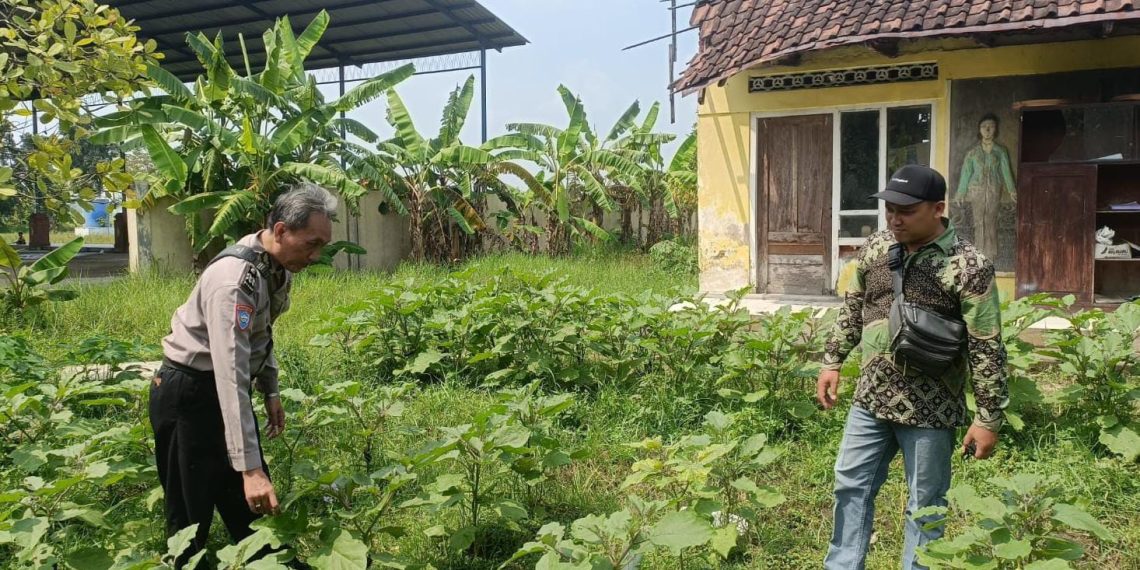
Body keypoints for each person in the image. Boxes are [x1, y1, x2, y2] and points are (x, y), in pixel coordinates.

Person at [817, 165, 1009, 569]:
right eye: (890, 209)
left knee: (925, 505)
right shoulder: (876, 248)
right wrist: (833, 360)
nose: (894, 218)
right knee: (850, 486)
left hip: (931, 409)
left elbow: (986, 344)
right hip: (870, 398)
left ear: (939, 208)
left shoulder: (970, 266)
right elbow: (854, 308)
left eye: (906, 210)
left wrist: (988, 418)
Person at [150, 183, 334, 566]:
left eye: (322, 246)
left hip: (220, 390)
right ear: (281, 230)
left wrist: (270, 391)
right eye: (311, 244)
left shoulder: (275, 267)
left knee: (255, 513)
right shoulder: (235, 281)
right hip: (189, 394)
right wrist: (249, 467)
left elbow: (261, 334)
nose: (316, 255)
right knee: (189, 522)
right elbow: (229, 374)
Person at [956, 113, 1016, 259]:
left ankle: (991, 253)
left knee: (991, 219)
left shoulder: (1000, 151)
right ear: (979, 129)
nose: (988, 130)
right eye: (984, 127)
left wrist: (1012, 190)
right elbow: (966, 173)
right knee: (978, 220)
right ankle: (978, 252)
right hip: (976, 190)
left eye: (991, 126)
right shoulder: (973, 153)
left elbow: (1006, 171)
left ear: (995, 129)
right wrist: (961, 192)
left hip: (994, 189)